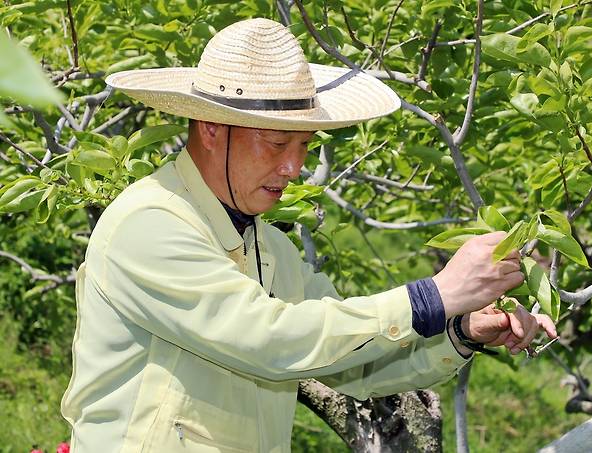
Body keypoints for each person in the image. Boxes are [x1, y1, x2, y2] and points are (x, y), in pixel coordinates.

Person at [61, 18, 557, 452]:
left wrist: (460, 328)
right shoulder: (151, 222)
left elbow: (354, 365)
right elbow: (270, 339)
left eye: (304, 144)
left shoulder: (269, 247)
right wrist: (436, 295)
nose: (295, 167)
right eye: (277, 142)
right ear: (211, 128)